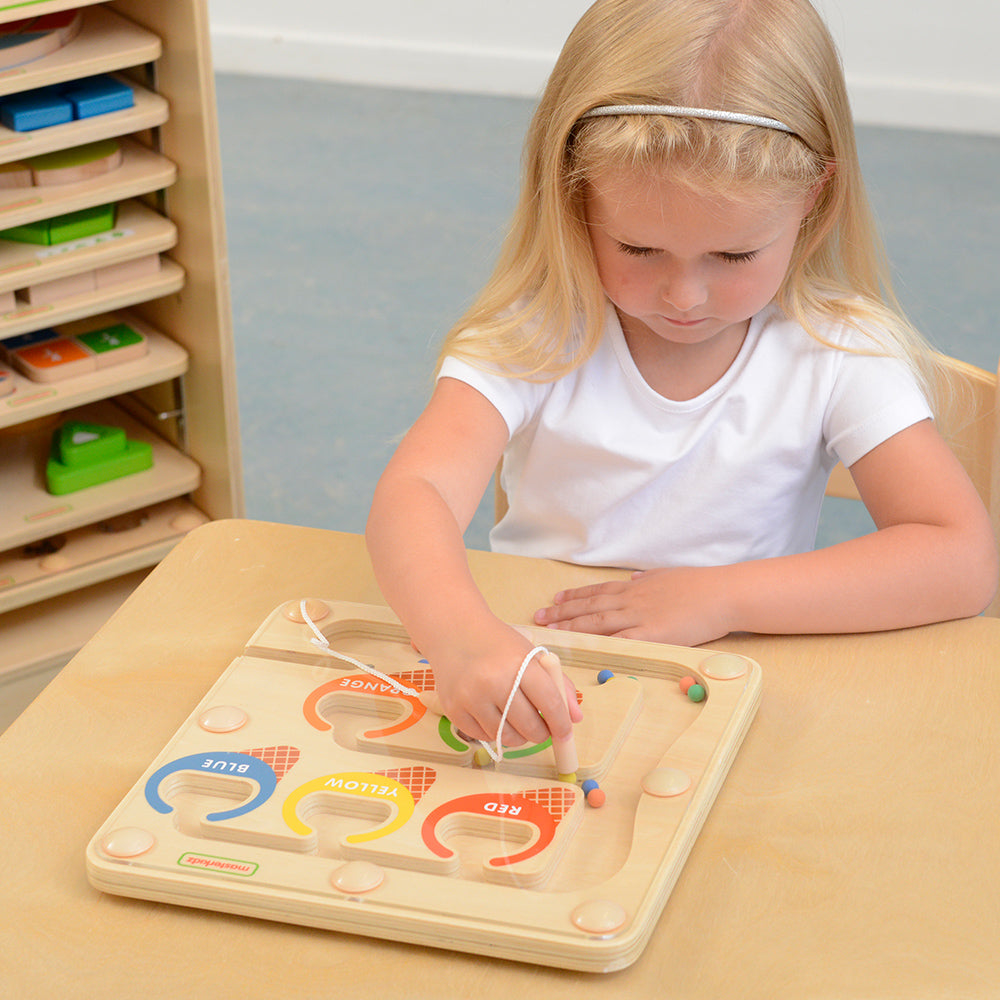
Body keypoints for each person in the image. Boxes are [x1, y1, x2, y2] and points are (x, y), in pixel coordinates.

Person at [365, 0, 997, 753]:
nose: (684, 298)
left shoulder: (837, 350)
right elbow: (417, 492)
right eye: (637, 248)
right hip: (547, 673)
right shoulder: (538, 331)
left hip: (742, 678)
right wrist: (461, 638)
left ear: (813, 197)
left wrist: (722, 595)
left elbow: (959, 558)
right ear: (574, 195)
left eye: (733, 257)